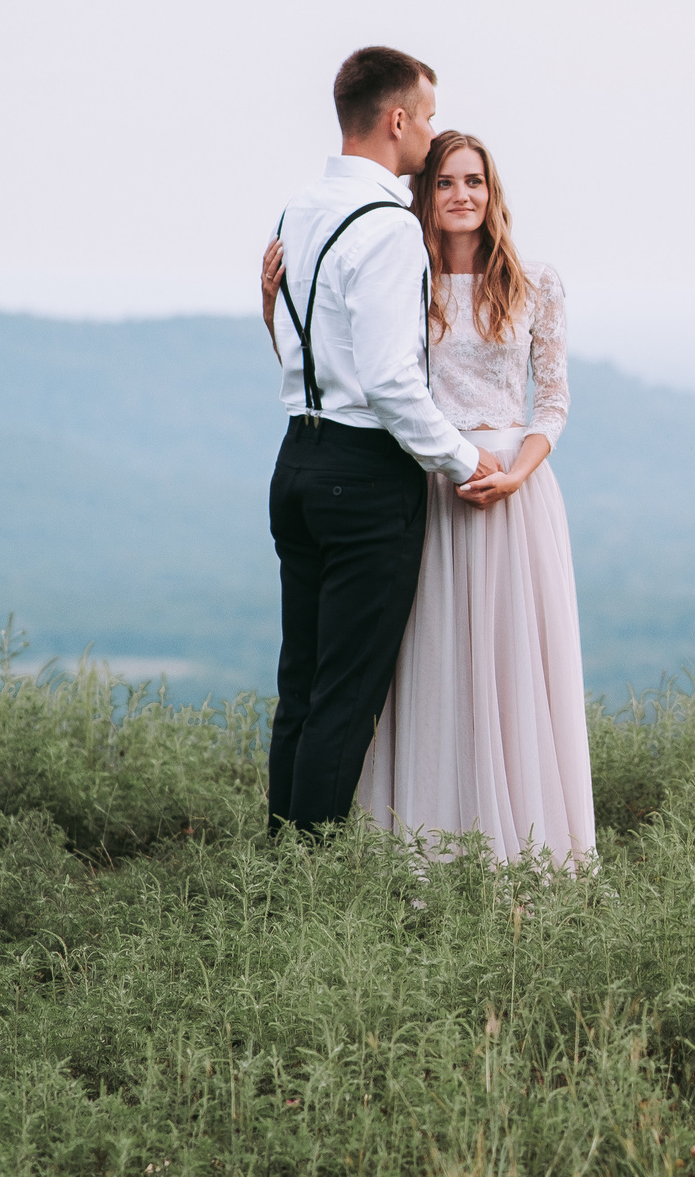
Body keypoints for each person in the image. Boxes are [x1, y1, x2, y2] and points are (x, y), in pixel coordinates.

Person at [265, 130, 595, 867]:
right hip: (427, 485)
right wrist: (275, 315)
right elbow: (350, 374)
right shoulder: (404, 275)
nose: (462, 195)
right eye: (446, 182)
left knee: (510, 670)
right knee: (430, 666)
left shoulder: (534, 279)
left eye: (475, 181)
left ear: (493, 190)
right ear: (425, 192)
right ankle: (425, 847)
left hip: (511, 494)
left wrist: (516, 473)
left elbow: (554, 403)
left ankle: (522, 843)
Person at [264, 48, 495, 836]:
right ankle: (307, 891)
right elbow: (394, 382)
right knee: (346, 700)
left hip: (296, 459)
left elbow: (305, 347)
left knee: (301, 687)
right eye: (427, 117)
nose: (431, 135)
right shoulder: (392, 228)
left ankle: (275, 874)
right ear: (397, 120)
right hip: (364, 478)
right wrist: (467, 460)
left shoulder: (298, 209)